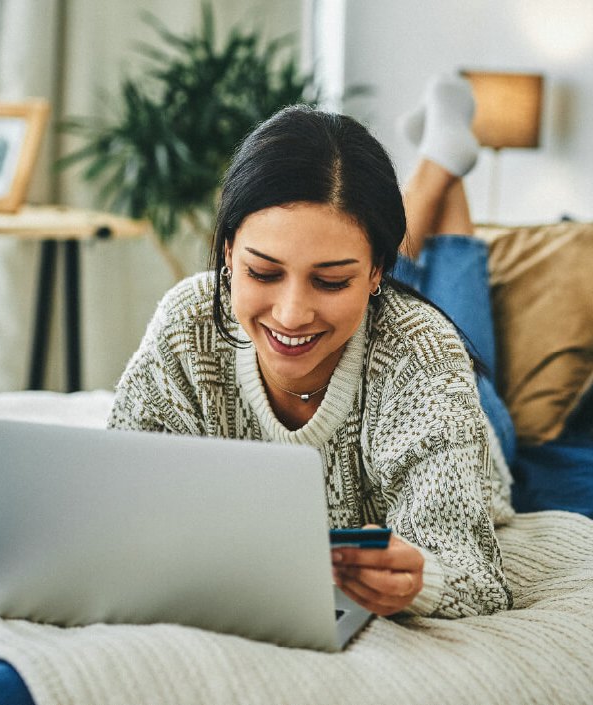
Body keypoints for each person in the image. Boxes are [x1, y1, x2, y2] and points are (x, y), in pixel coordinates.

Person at [108, 74, 515, 619]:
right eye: (262, 271)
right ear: (228, 251)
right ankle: (443, 157)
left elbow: (476, 577)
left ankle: (441, 162)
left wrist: (424, 581)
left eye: (331, 280)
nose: (291, 313)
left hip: (473, 421)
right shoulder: (188, 321)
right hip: (371, 324)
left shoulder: (425, 355)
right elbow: (114, 499)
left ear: (375, 272)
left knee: (452, 330)